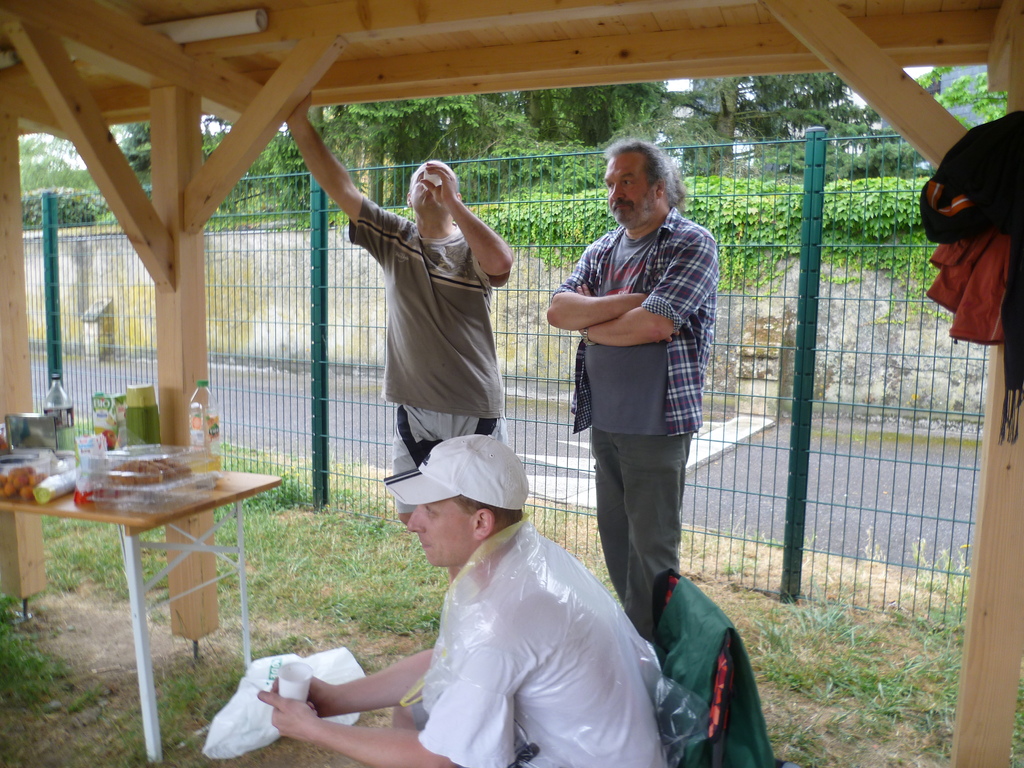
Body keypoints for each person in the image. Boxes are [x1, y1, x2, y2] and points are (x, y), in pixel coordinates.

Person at [258, 434, 673, 768]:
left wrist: (314, 730)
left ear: (481, 523)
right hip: (596, 747)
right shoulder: (519, 559)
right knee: (413, 710)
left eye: (431, 511)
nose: (413, 524)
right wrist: (335, 698)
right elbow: (448, 659)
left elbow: (440, 760)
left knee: (425, 730)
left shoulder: (503, 619)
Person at [287, 100, 514, 522]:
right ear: (409, 198)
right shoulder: (394, 238)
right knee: (413, 516)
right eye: (420, 179)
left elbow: (501, 262)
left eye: (440, 179)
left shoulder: (471, 247)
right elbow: (342, 188)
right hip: (416, 409)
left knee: (486, 518)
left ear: (456, 196)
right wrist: (297, 122)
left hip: (473, 407)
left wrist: (453, 203)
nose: (429, 181)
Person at [546, 138, 719, 641]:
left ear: (659, 187)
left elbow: (656, 323)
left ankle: (663, 650)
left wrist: (592, 322)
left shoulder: (691, 243)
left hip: (656, 424)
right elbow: (558, 310)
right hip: (606, 420)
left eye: (627, 181)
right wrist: (632, 302)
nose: (615, 193)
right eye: (610, 183)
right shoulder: (602, 249)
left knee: (654, 550)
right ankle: (635, 640)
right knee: (617, 541)